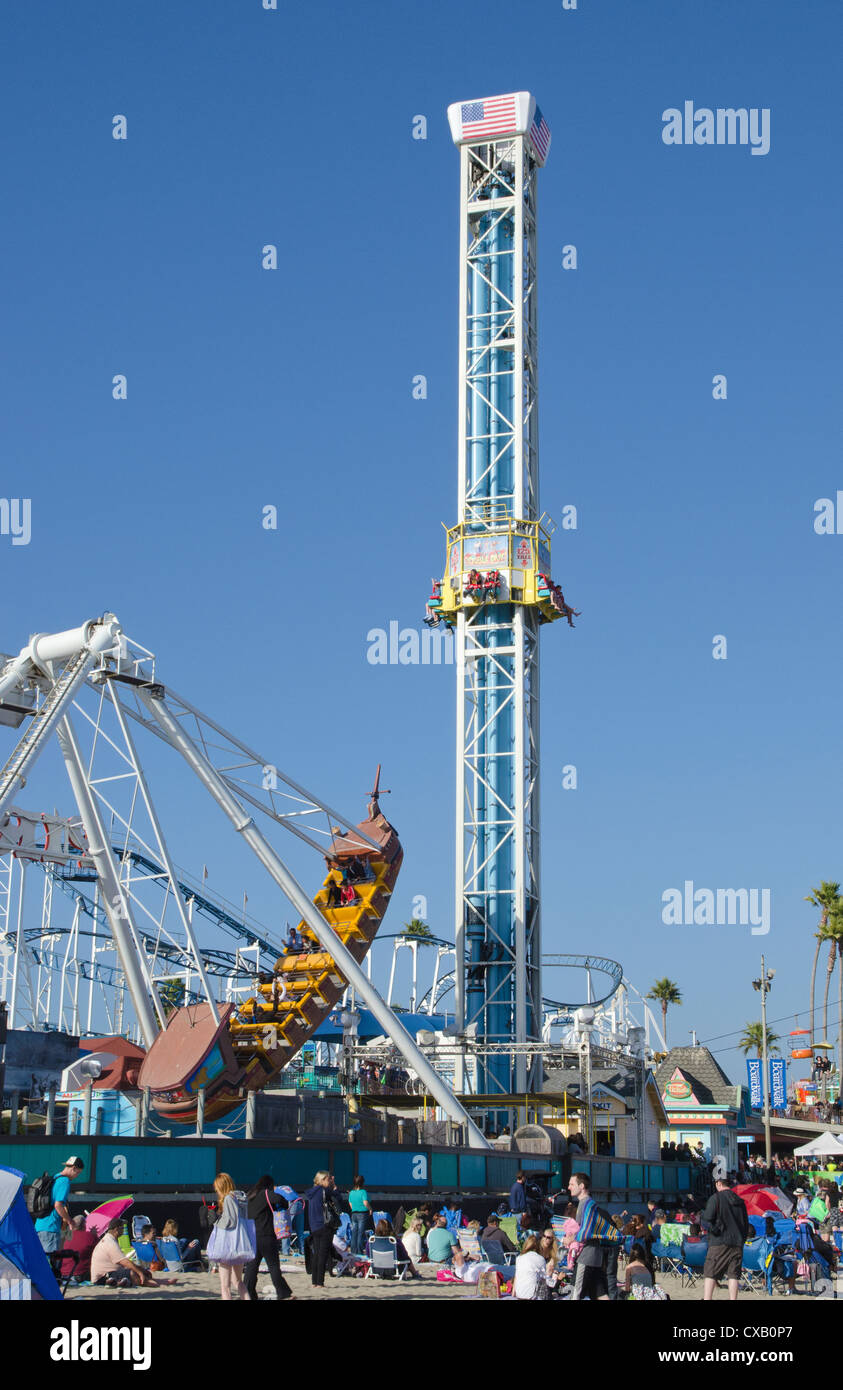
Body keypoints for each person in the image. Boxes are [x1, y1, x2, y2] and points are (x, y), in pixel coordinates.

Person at [243, 1175, 293, 1302]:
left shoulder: (250, 1196)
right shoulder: (266, 1194)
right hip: (267, 1235)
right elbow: (282, 1201)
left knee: (252, 1267)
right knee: (273, 1266)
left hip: (253, 1236)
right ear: (269, 1185)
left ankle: (248, 1292)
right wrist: (277, 1191)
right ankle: (283, 1292)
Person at [206, 1172, 254, 1300]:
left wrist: (215, 1220)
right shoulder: (241, 1198)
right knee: (238, 1281)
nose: (216, 1190)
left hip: (227, 1246)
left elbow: (230, 1221)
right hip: (240, 1244)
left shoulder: (228, 1198)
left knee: (225, 1286)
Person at [701, 1176, 749, 1302]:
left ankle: (707, 1298)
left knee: (710, 1271)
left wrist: (712, 1230)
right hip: (737, 1242)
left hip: (719, 1241)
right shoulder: (740, 1201)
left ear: (718, 1183)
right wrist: (741, 1240)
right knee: (734, 1274)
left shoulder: (716, 1198)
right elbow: (745, 1224)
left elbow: (707, 1219)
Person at [91, 1219, 172, 1288]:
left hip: (109, 1273)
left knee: (137, 1269)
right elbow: (124, 1262)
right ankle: (151, 1283)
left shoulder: (110, 1239)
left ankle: (158, 1281)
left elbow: (124, 1262)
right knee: (132, 1272)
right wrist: (140, 1273)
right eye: (122, 1228)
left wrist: (142, 1270)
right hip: (102, 1277)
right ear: (116, 1229)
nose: (123, 1230)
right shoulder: (110, 1242)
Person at [567, 1172, 610, 1301]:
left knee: (576, 1294)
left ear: (581, 1186)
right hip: (595, 1255)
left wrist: (570, 1238)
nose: (569, 1187)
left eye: (572, 1184)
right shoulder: (590, 1203)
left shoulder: (585, 1203)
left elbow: (585, 1232)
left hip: (587, 1256)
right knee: (599, 1293)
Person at [33, 1155, 84, 1254]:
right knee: (50, 1265)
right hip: (50, 1228)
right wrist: (70, 1221)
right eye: (78, 1173)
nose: (77, 1176)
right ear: (74, 1168)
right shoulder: (65, 1181)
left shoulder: (55, 1177)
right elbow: (58, 1205)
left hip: (39, 1226)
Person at [304, 1171, 337, 1288]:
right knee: (322, 1254)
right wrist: (334, 1185)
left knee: (317, 1254)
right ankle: (320, 1282)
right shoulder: (323, 1190)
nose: (329, 1182)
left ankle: (314, 1282)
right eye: (328, 1179)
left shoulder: (312, 1192)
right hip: (324, 1225)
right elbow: (337, 1196)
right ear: (322, 1180)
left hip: (314, 1226)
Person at [513, 1234, 557, 1299]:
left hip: (519, 1294)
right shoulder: (540, 1259)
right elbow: (547, 1281)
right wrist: (555, 1278)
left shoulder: (519, 1258)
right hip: (531, 1295)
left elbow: (516, 1277)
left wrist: (513, 1292)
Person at [58, 1215, 98, 1283]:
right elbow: (101, 1250)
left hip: (63, 1273)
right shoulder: (90, 1237)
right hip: (80, 1274)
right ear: (84, 1225)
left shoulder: (65, 1237)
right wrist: (95, 1235)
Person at [348, 1175, 371, 1255]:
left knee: (354, 1233)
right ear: (362, 1183)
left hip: (354, 1213)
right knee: (360, 1233)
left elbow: (350, 1204)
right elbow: (365, 1202)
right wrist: (370, 1209)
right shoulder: (363, 1192)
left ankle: (353, 1252)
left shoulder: (351, 1192)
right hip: (362, 1214)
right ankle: (359, 1252)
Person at [509, 1171, 527, 1237]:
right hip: (519, 1212)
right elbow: (522, 1200)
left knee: (515, 1231)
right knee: (522, 1231)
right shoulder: (520, 1187)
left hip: (513, 1211)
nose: (525, 1179)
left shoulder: (514, 1186)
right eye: (525, 1177)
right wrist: (524, 1211)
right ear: (522, 1177)